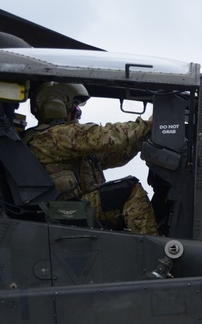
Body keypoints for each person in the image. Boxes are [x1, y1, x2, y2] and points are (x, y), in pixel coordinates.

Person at [24, 81, 157, 235]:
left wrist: (141, 138)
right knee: (130, 191)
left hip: (72, 207)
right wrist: (147, 125)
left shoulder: (61, 141)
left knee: (121, 190)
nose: (78, 111)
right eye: (74, 106)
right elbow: (105, 137)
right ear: (54, 106)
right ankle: (156, 252)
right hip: (65, 211)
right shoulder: (53, 137)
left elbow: (115, 155)